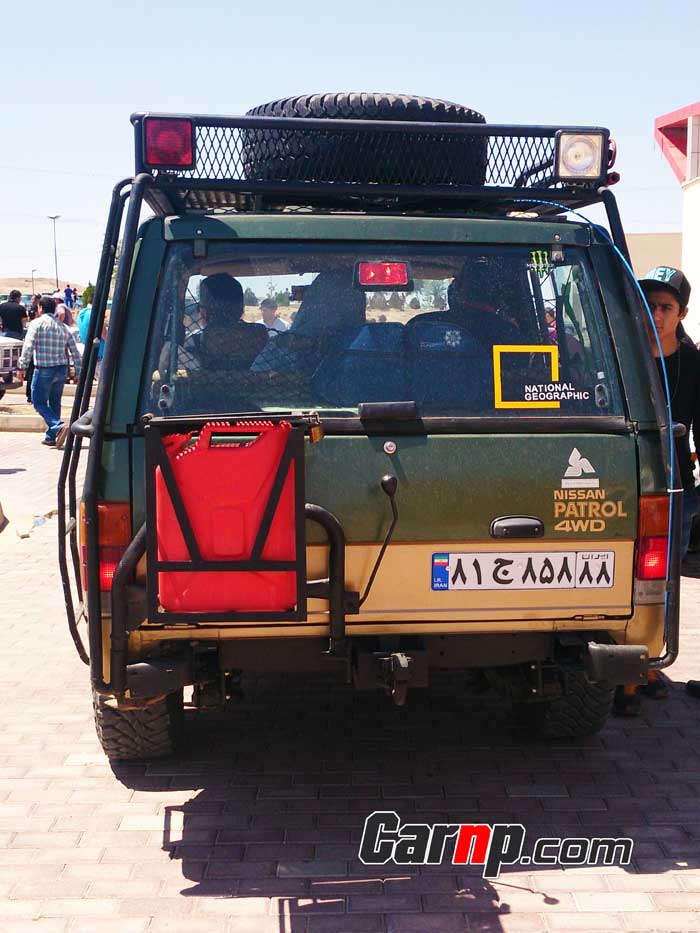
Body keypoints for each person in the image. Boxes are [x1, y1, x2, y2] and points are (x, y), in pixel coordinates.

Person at [615, 266, 698, 714]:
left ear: (682, 313)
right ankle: (626, 668)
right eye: (648, 305)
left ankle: (646, 664)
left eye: (665, 307)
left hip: (675, 486)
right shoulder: (621, 357)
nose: (655, 314)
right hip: (625, 483)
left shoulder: (693, 365)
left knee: (663, 578)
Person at [17, 296, 81, 448]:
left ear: (40, 308)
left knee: (38, 401)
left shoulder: (36, 324)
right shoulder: (63, 327)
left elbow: (28, 347)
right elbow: (75, 351)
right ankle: (51, 436)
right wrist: (77, 371)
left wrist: (22, 366)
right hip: (61, 369)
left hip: (44, 369)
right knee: (55, 402)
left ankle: (57, 426)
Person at [198, 274, 268, 370]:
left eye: (200, 306)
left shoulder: (199, 341)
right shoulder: (260, 333)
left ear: (205, 310)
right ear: (241, 308)